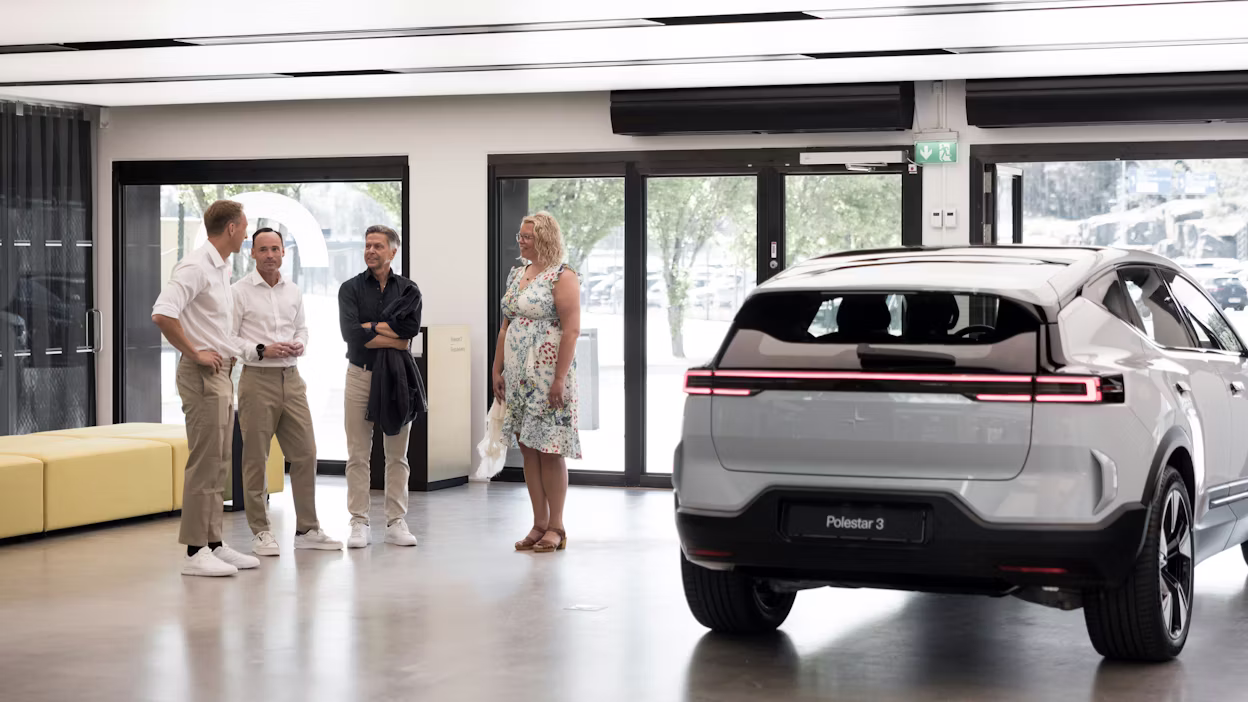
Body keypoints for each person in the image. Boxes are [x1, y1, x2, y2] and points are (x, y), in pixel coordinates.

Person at [151, 200, 261, 577]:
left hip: (221, 372)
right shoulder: (196, 266)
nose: (247, 233)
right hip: (201, 375)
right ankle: (196, 551)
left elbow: (219, 329)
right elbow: (163, 313)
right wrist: (194, 352)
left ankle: (214, 542)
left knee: (218, 461)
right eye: (245, 227)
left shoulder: (221, 268)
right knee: (204, 462)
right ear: (230, 228)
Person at [230, 227, 343, 556]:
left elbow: (303, 328)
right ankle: (261, 531)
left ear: (284, 252)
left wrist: (300, 344)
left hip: (292, 379)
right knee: (255, 458)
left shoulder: (292, 290)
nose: (269, 255)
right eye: (262, 249)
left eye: (275, 249)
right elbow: (230, 338)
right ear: (252, 253)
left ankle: (307, 529)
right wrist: (262, 349)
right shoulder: (238, 292)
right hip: (257, 379)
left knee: (306, 453)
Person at [492, 212, 581, 553]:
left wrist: (559, 378)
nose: (520, 239)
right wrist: (497, 369)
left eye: (527, 235)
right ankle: (538, 523)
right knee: (528, 448)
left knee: (550, 449)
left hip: (548, 376)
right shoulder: (518, 274)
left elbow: (571, 330)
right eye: (520, 234)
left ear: (544, 238)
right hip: (517, 376)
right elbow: (505, 325)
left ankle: (556, 526)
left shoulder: (563, 276)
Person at [338, 225, 423, 549]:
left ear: (392, 251)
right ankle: (358, 522)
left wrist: (371, 327)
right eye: (367, 245)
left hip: (395, 379)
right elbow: (352, 334)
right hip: (359, 375)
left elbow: (409, 332)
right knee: (358, 455)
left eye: (377, 246)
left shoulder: (408, 290)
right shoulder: (350, 289)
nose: (370, 251)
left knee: (396, 455)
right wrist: (392, 335)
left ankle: (395, 522)